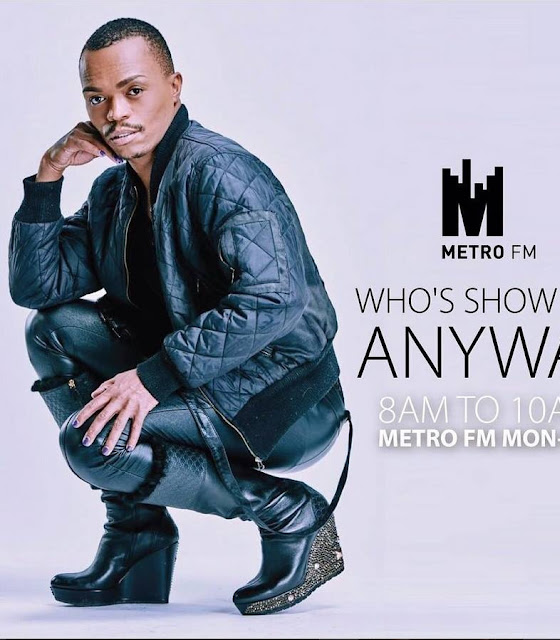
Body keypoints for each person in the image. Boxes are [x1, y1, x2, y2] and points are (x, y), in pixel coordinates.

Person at [8, 17, 352, 615]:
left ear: (175, 87)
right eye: (97, 97)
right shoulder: (114, 192)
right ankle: (136, 534)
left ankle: (285, 511)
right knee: (52, 331)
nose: (115, 113)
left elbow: (273, 298)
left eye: (134, 91)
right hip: (197, 381)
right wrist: (47, 177)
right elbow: (38, 288)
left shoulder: (223, 172)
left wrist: (151, 379)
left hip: (283, 398)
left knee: (93, 445)